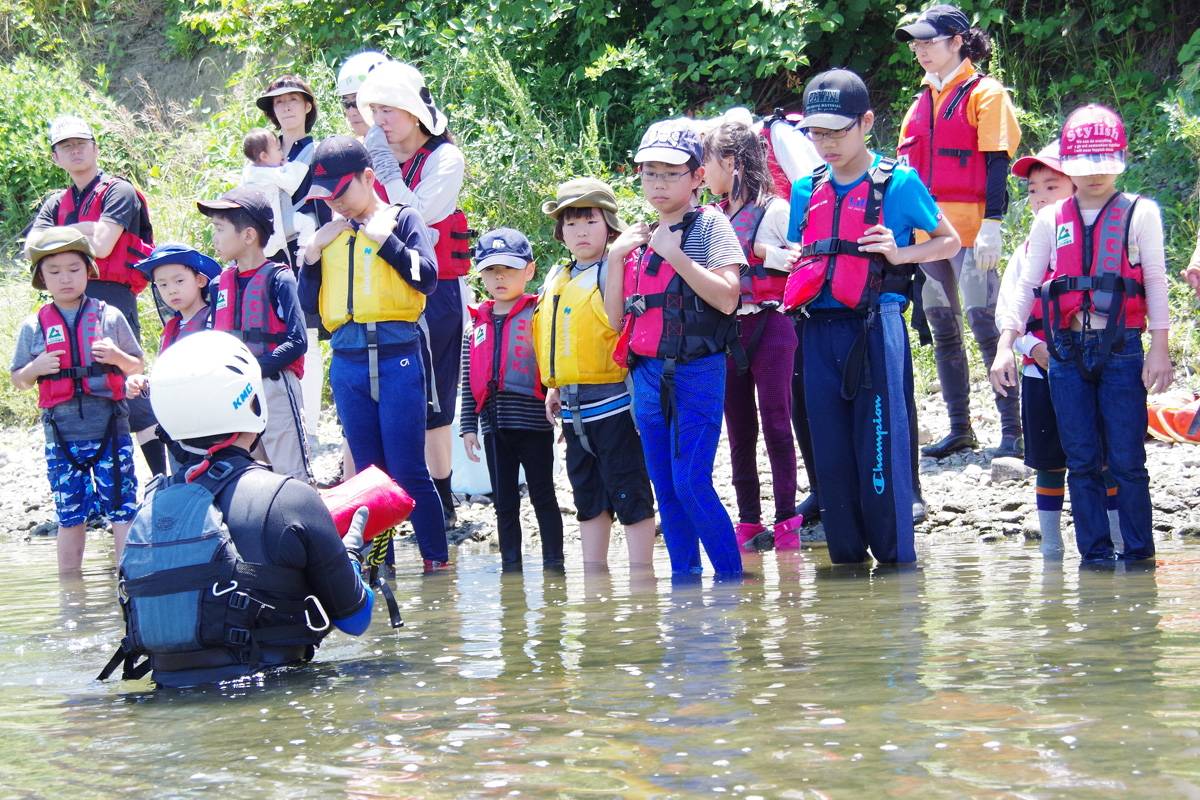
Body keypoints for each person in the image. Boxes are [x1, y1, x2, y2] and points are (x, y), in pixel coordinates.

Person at [113, 330, 372, 687]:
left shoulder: (150, 508)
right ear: (250, 402)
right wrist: (352, 557)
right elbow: (355, 621)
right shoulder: (291, 498)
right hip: (271, 694)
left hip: (168, 695)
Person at [783, 69, 961, 565]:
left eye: (837, 131)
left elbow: (950, 241)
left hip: (874, 328)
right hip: (816, 333)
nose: (826, 143)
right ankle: (846, 566)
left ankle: (897, 566)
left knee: (879, 451)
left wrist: (899, 254)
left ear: (866, 121)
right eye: (817, 132)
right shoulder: (805, 189)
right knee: (831, 457)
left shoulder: (898, 182)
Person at [991, 104, 1173, 563]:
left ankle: (1138, 559)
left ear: (1120, 162)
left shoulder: (1140, 212)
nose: (1094, 178)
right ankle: (1094, 560)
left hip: (1123, 350)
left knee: (1129, 462)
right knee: (1082, 462)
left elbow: (1154, 280)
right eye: (1085, 168)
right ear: (1070, 166)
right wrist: (1005, 346)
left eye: (1104, 168)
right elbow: (1028, 286)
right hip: (1067, 351)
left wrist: (1160, 349)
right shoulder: (1051, 219)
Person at [297, 135, 450, 572]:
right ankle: (380, 571)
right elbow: (310, 307)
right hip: (346, 364)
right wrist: (310, 257)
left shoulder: (402, 219)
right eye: (327, 198)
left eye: (342, 192)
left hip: (398, 356)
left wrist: (388, 243)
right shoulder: (327, 235)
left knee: (406, 467)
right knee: (367, 474)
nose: (337, 205)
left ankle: (436, 568)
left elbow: (427, 278)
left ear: (369, 178)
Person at [604, 118, 746, 577]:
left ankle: (733, 583)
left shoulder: (710, 225)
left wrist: (677, 255)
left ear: (697, 176)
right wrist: (613, 257)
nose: (658, 182)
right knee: (665, 487)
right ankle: (686, 590)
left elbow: (728, 297)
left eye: (670, 172)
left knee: (690, 483)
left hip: (698, 371)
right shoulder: (639, 239)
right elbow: (614, 318)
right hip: (646, 376)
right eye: (649, 172)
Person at [895, 4, 1023, 458]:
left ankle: (1013, 429)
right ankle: (959, 427)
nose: (920, 50)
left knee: (984, 323)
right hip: (927, 237)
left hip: (971, 231)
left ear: (957, 41)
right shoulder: (920, 101)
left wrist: (993, 223)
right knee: (942, 326)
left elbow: (996, 162)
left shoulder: (984, 93)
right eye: (916, 43)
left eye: (929, 41)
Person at [994, 144, 1124, 558]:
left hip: (1093, 370)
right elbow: (1007, 315)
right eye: (1033, 190)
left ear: (1077, 187)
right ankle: (1052, 546)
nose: (1041, 197)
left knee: (1102, 458)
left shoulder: (1100, 245)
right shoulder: (1024, 252)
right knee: (1050, 462)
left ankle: (1118, 539)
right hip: (1040, 374)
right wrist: (1033, 347)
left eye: (1052, 185)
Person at [358, 61, 470, 530]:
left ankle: (441, 501)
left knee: (434, 400)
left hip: (435, 290)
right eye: (375, 111)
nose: (379, 120)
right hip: (378, 290)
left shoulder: (445, 159)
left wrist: (384, 171)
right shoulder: (370, 158)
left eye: (389, 110)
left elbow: (417, 215)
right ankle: (388, 500)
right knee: (384, 400)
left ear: (414, 112)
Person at [27, 115, 165, 477]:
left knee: (127, 385)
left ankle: (163, 479)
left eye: (81, 143)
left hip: (110, 296)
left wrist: (58, 235)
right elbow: (31, 248)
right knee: (78, 386)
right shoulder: (56, 201)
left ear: (95, 148)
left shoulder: (118, 191)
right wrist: (82, 229)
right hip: (64, 302)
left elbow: (102, 246)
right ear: (55, 158)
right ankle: (97, 485)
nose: (74, 150)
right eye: (65, 146)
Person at [534, 178, 657, 568]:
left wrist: (619, 257)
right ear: (560, 232)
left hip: (614, 406)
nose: (580, 231)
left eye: (590, 221)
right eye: (571, 223)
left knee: (630, 491)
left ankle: (642, 579)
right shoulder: (559, 276)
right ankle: (594, 579)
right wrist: (554, 387)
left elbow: (616, 317)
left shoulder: (612, 268)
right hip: (571, 409)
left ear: (609, 225)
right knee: (586, 494)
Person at [10, 227, 144, 573]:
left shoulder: (109, 317)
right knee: (70, 516)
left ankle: (129, 585)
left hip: (111, 433)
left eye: (73, 269)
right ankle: (71, 594)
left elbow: (137, 365)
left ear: (89, 271)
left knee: (122, 510)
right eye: (53, 272)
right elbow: (19, 381)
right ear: (41, 277)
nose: (65, 278)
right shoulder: (33, 325)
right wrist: (35, 367)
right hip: (62, 438)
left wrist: (116, 356)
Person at [701, 120, 804, 550]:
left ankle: (786, 521)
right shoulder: (714, 215)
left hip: (771, 325)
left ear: (732, 162)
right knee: (739, 428)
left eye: (706, 163)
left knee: (777, 423)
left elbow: (801, 262)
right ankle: (748, 521)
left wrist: (765, 251)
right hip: (727, 333)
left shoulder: (775, 209)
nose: (701, 173)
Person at [459, 228, 565, 571]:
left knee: (542, 497)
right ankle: (511, 570)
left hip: (533, 423)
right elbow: (467, 378)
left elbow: (555, 363)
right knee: (503, 504)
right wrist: (467, 427)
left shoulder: (538, 314)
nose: (499, 276)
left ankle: (554, 566)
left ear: (529, 271)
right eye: (490, 269)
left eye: (508, 268)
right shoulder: (475, 324)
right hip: (493, 428)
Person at [197, 187, 312, 484]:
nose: (215, 237)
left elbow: (298, 342)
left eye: (220, 229)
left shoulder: (279, 277)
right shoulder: (217, 285)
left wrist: (252, 371)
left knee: (293, 474)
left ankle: (308, 527)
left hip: (274, 388)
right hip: (234, 393)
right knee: (249, 477)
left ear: (248, 236)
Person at [256, 74, 328, 447]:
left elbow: (289, 184)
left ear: (307, 106)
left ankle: (310, 427)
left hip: (305, 251)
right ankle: (277, 421)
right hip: (267, 249)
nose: (285, 108)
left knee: (308, 339)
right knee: (271, 333)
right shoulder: (268, 146)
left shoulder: (309, 148)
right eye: (278, 103)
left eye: (292, 101)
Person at [240, 127, 317, 262]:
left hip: (259, 231)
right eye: (278, 149)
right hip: (276, 227)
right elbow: (292, 183)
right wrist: (287, 166)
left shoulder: (248, 172)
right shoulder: (270, 173)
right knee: (308, 222)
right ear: (264, 156)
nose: (282, 153)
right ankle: (302, 256)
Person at [337, 51, 389, 139]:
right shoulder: (358, 148)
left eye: (357, 103)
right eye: (346, 104)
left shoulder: (411, 149)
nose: (351, 112)